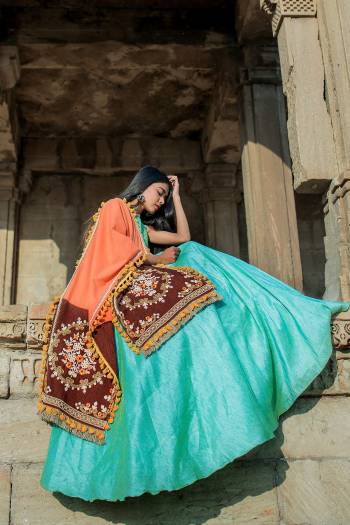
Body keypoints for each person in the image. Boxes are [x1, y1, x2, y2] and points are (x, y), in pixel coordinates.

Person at [38, 165, 350, 502]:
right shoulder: (116, 208)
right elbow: (108, 251)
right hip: (109, 293)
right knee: (189, 267)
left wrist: (178, 199)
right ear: (142, 187)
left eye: (164, 198)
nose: (161, 203)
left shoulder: (141, 227)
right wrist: (156, 261)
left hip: (135, 279)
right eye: (159, 193)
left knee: (194, 252)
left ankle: (256, 315)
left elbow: (183, 238)